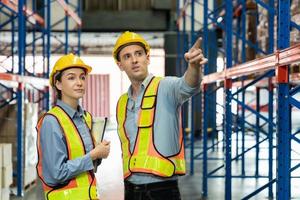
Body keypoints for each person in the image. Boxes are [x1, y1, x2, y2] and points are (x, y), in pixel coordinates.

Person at [113, 31, 207, 200]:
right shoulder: (122, 103)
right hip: (130, 188)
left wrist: (194, 66)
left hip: (162, 189)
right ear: (120, 65)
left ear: (147, 58)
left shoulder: (165, 87)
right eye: (127, 56)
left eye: (139, 54)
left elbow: (188, 85)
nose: (134, 60)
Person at [36, 53, 110, 200]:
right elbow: (56, 174)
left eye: (82, 77)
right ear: (58, 84)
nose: (79, 82)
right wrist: (93, 155)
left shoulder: (86, 118)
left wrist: (100, 153)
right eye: (71, 77)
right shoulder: (52, 121)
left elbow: (89, 165)